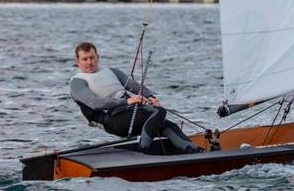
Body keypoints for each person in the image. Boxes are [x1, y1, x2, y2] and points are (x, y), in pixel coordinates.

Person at [69, 42, 204, 154]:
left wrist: (151, 97)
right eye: (85, 59)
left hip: (129, 112)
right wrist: (126, 101)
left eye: (92, 58)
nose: (89, 62)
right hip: (111, 119)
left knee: (167, 125)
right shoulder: (77, 82)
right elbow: (95, 103)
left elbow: (136, 87)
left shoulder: (112, 72)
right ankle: (143, 150)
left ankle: (195, 152)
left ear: (97, 57)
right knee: (158, 112)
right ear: (78, 62)